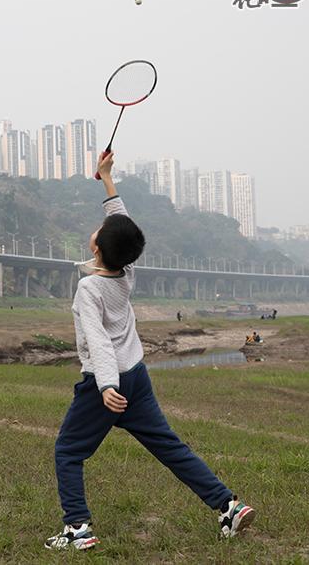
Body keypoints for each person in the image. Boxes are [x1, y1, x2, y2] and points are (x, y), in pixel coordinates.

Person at [45, 152, 254, 551]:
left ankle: (77, 530)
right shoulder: (127, 270)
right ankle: (228, 506)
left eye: (100, 230)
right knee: (169, 447)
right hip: (137, 377)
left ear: (99, 248)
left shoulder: (90, 288)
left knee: (68, 451)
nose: (98, 229)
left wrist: (105, 386)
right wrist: (107, 179)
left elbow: (98, 339)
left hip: (108, 385)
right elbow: (124, 226)